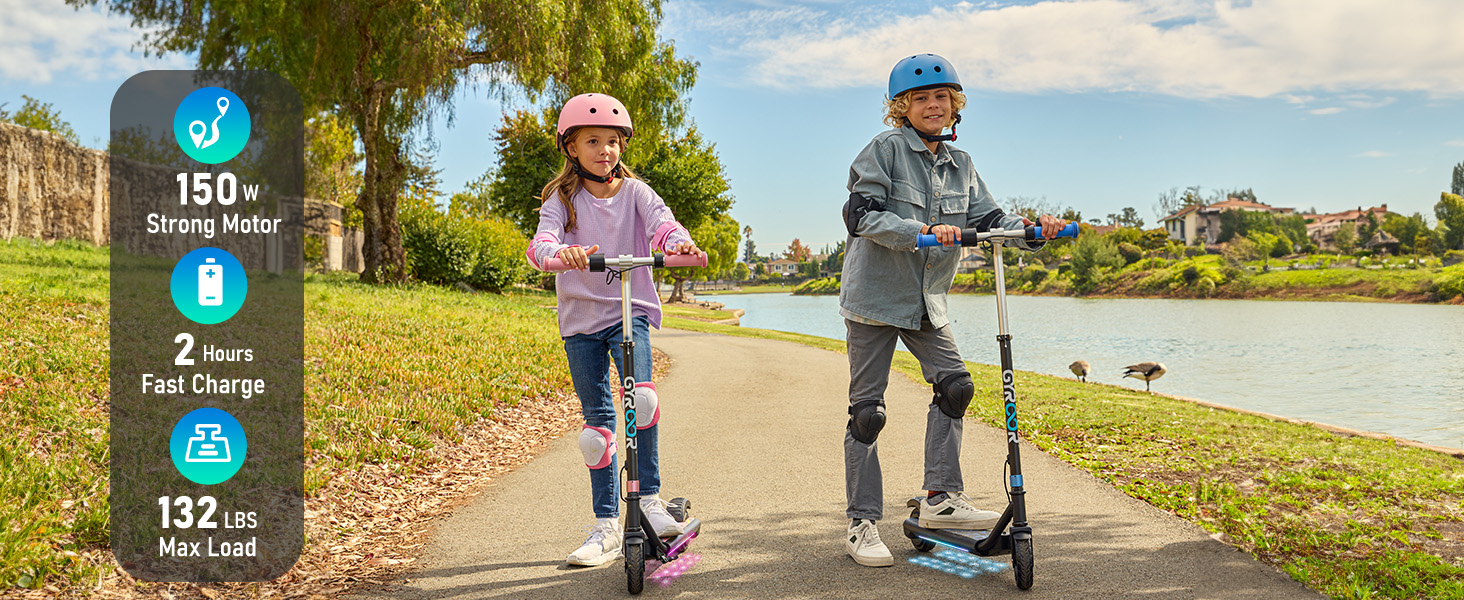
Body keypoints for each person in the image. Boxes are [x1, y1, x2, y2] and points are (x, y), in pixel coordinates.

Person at [838, 54, 1067, 567]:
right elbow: (860, 214)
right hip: (874, 298)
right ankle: (861, 523)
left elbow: (990, 217)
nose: (932, 105)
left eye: (941, 96)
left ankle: (940, 499)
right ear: (902, 107)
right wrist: (917, 231)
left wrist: (1033, 229)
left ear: (954, 104)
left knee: (956, 386)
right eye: (920, 98)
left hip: (926, 300)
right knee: (868, 413)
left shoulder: (962, 165)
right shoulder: (886, 149)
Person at [526, 93, 706, 567]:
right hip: (580, 321)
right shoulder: (561, 200)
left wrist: (678, 242)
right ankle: (606, 523)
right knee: (596, 431)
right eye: (593, 141)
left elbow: (663, 226)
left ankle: (648, 498)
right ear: (571, 147)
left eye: (612, 141)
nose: (605, 150)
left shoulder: (638, 193)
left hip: (630, 310)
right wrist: (556, 252)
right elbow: (542, 241)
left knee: (641, 400)